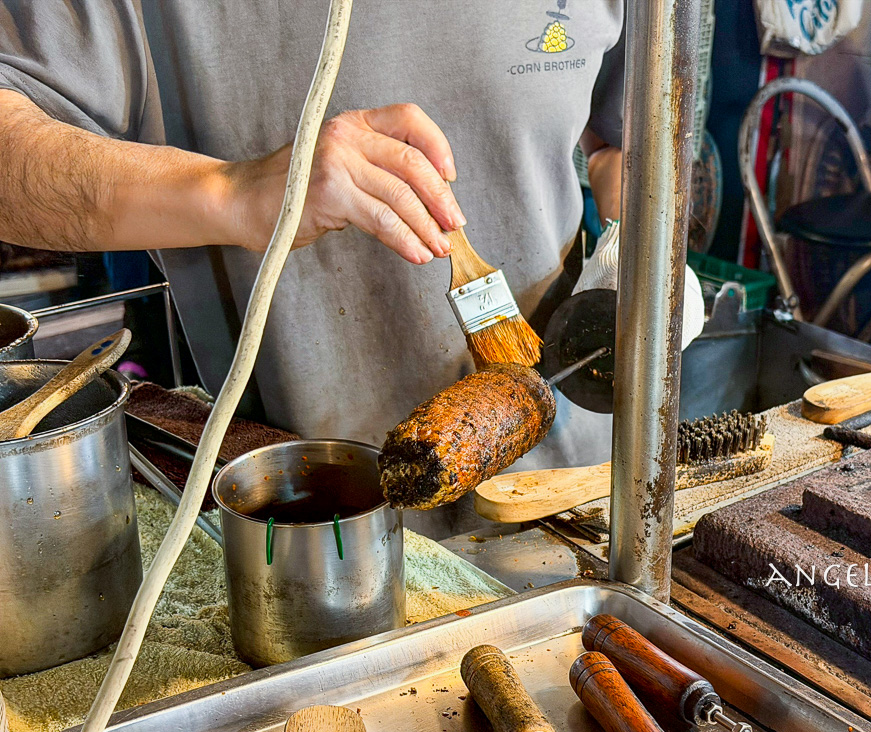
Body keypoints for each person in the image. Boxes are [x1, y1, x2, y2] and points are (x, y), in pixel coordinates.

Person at [0, 2, 700, 534]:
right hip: (303, 518)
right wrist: (232, 193)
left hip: (585, 496)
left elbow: (626, 139)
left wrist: (637, 234)